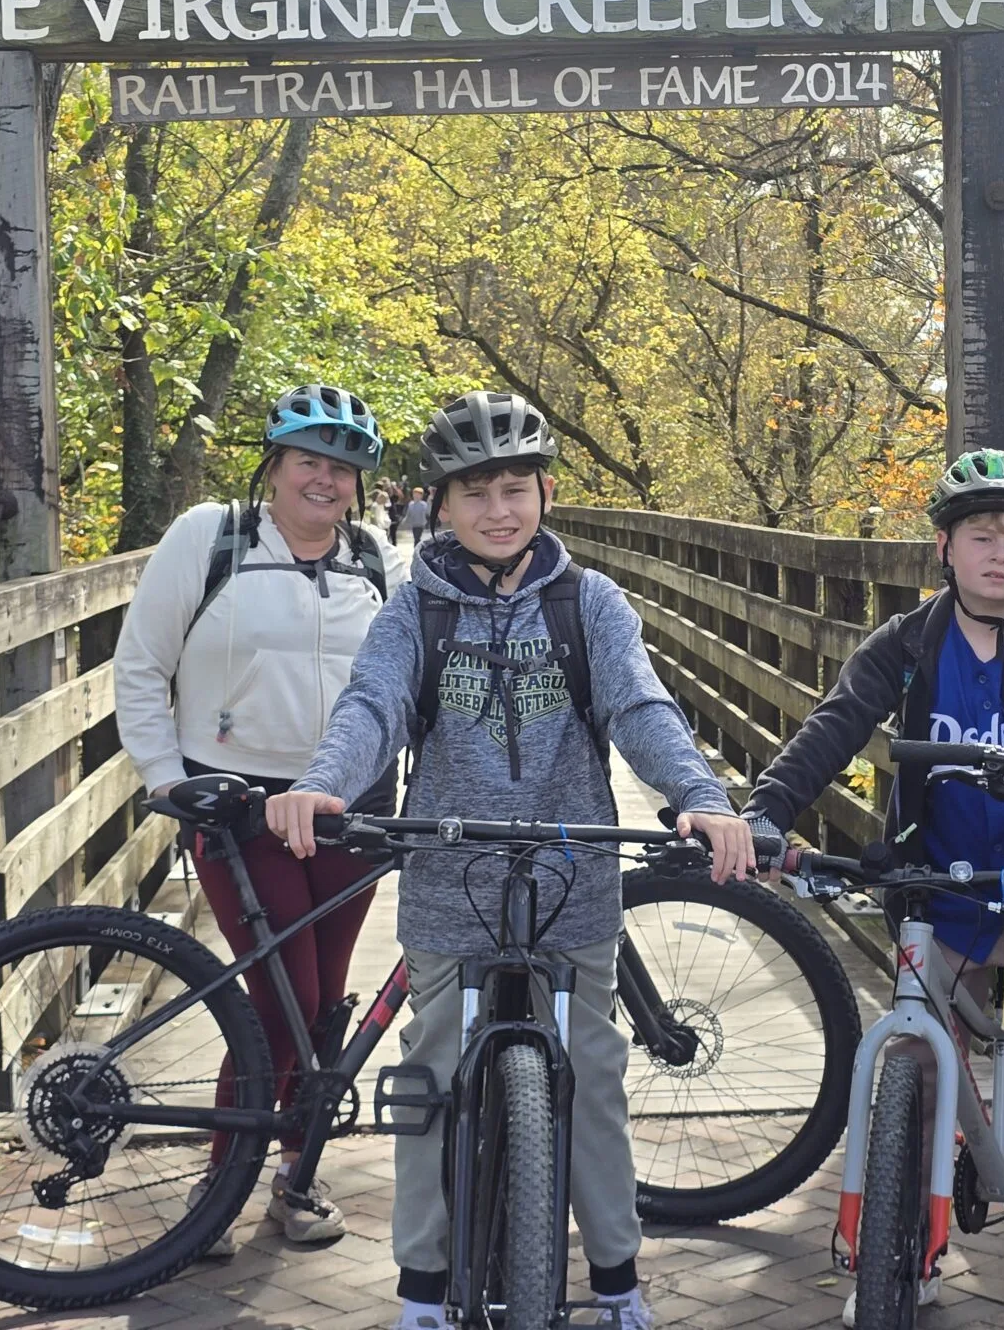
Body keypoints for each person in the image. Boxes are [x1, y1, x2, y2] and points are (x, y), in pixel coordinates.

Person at [266, 390, 755, 1330]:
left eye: (517, 488)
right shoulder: (415, 611)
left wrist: (698, 796)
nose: (500, 509)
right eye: (477, 491)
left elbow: (640, 709)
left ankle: (616, 1279)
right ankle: (420, 1289)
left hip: (574, 882)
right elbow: (371, 707)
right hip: (452, 885)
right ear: (440, 505)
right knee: (431, 1080)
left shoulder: (591, 604)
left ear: (546, 493)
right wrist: (323, 782)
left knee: (597, 1078)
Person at [739, 449, 1004, 1322]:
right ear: (945, 549)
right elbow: (835, 727)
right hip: (940, 890)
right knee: (917, 1077)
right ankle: (904, 1255)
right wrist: (768, 810)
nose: (1001, 554)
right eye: (982, 536)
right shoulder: (908, 644)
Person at [114, 383, 408, 1253]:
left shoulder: (378, 561)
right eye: (309, 460)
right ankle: (222, 1182)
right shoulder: (209, 538)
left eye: (343, 467)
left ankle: (295, 1178)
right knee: (284, 998)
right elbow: (139, 666)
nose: (325, 480)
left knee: (323, 1006)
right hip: (238, 802)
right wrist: (167, 780)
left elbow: (409, 685)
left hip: (353, 805)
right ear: (273, 466)